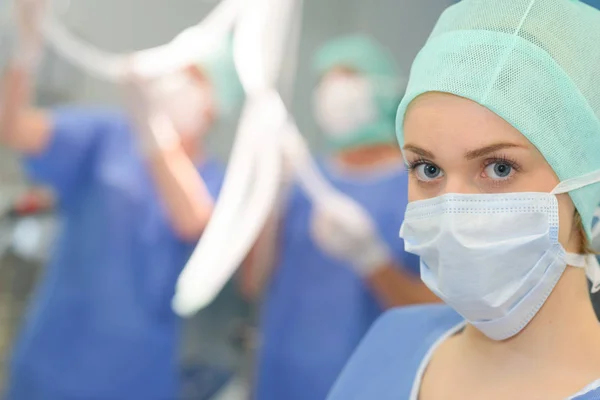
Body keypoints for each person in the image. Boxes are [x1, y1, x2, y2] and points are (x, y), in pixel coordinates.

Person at [327, 1, 600, 399]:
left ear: (587, 180)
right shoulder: (393, 341)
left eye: (499, 168)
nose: (451, 209)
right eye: (428, 169)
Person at [0, 0, 243, 399]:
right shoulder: (108, 136)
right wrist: (27, 48)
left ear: (215, 100)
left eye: (192, 76)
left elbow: (193, 221)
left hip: (132, 375)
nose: (175, 82)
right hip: (52, 358)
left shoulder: (216, 181)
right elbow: (13, 129)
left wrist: (153, 134)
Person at [246, 35, 439, 400]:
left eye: (348, 77)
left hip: (369, 382)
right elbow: (252, 284)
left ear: (385, 90)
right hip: (279, 378)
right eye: (325, 81)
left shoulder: (420, 186)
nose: (334, 92)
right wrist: (266, 203)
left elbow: (445, 317)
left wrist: (374, 261)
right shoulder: (303, 180)